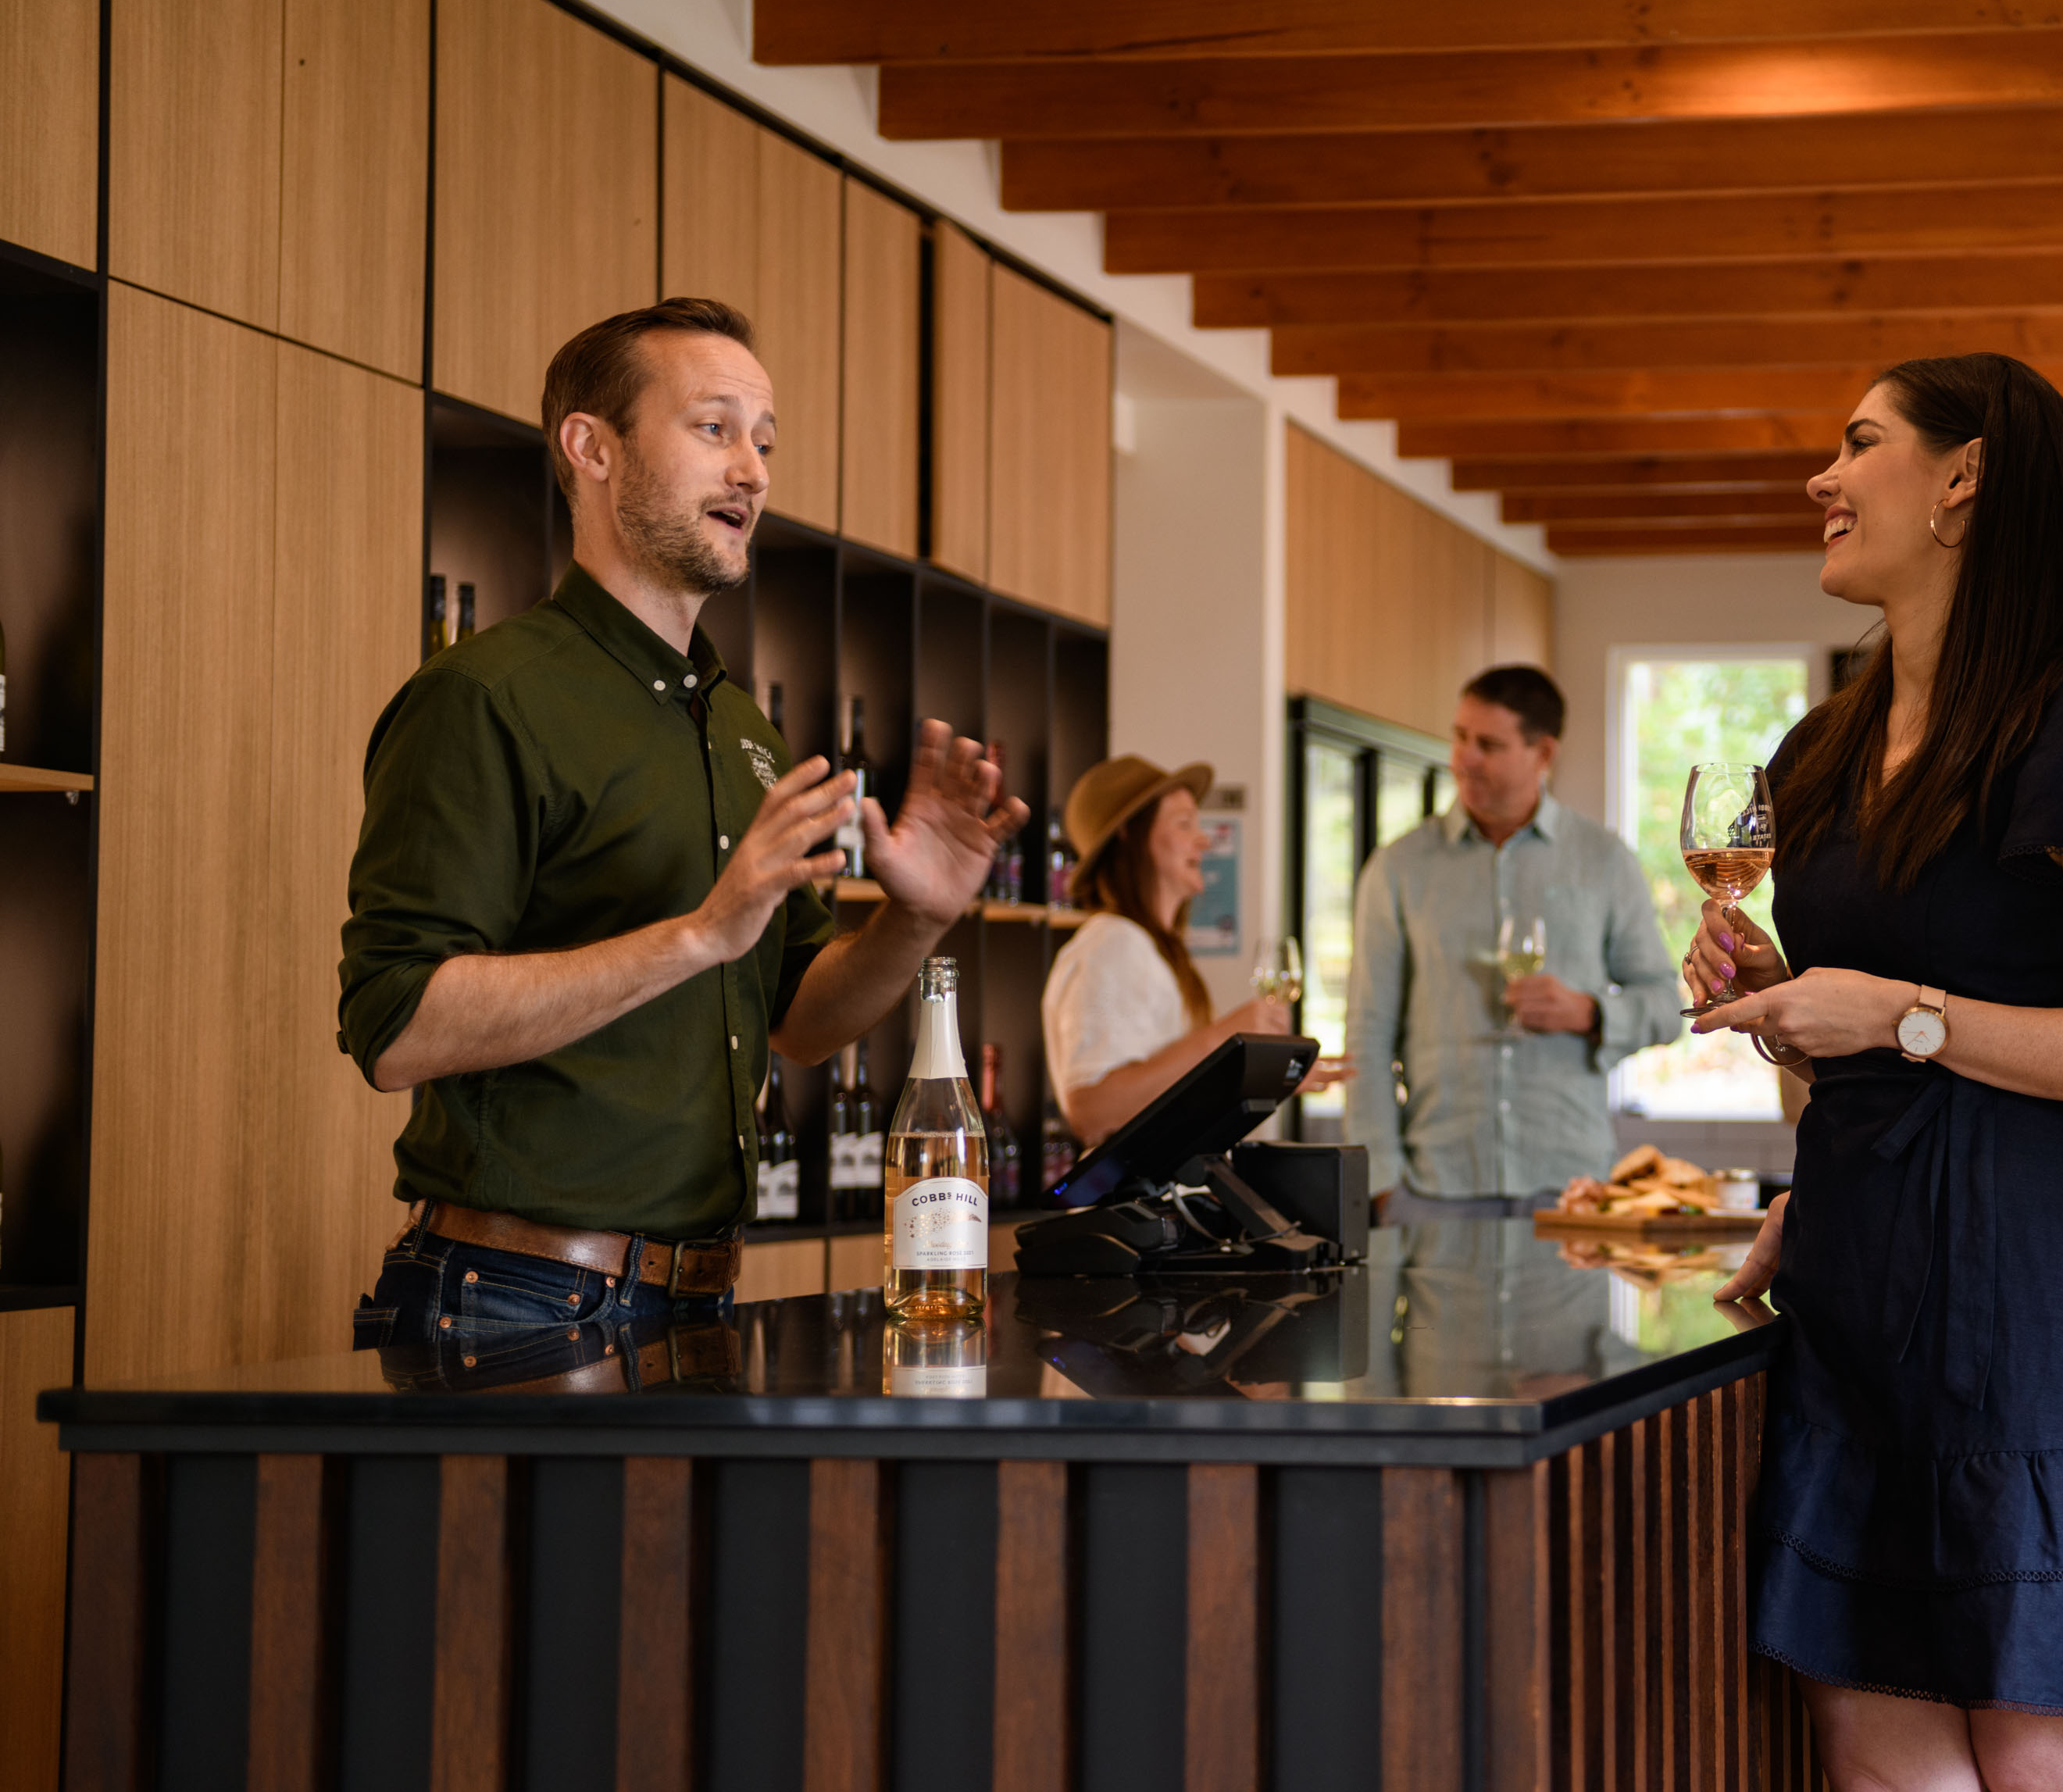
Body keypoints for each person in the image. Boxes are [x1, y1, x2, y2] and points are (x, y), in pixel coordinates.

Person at [1694, 352, 2063, 1792]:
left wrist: (1897, 1012)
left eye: (1854, 441)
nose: (1820, 476)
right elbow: (1846, 1054)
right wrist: (1789, 1003)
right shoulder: (1818, 753)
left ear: (1964, 478)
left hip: (2027, 1299)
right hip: (1857, 1292)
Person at [341, 298, 1024, 1342]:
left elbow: (800, 1019)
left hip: (699, 1298)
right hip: (514, 1300)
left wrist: (914, 918)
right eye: (712, 429)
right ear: (591, 448)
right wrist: (699, 933)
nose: (751, 470)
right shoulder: (485, 696)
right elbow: (395, 1027)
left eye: (764, 440)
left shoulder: (741, 727)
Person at [1341, 665, 1679, 1225]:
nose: (1462, 758)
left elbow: (1666, 1005)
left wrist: (1589, 1012)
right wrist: (1380, 1183)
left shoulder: (1603, 859)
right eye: (1459, 737)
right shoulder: (1397, 869)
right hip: (1432, 1192)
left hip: (1574, 1190)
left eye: (1488, 745)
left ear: (1543, 753)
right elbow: (1367, 1034)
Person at [1042, 753, 1319, 1148]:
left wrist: (1253, 1073)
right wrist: (1224, 1039)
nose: (1203, 839)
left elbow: (1162, 1099)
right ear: (1129, 834)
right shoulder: (1114, 945)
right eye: (1184, 823)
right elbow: (1093, 1111)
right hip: (1128, 1208)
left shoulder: (1145, 948)